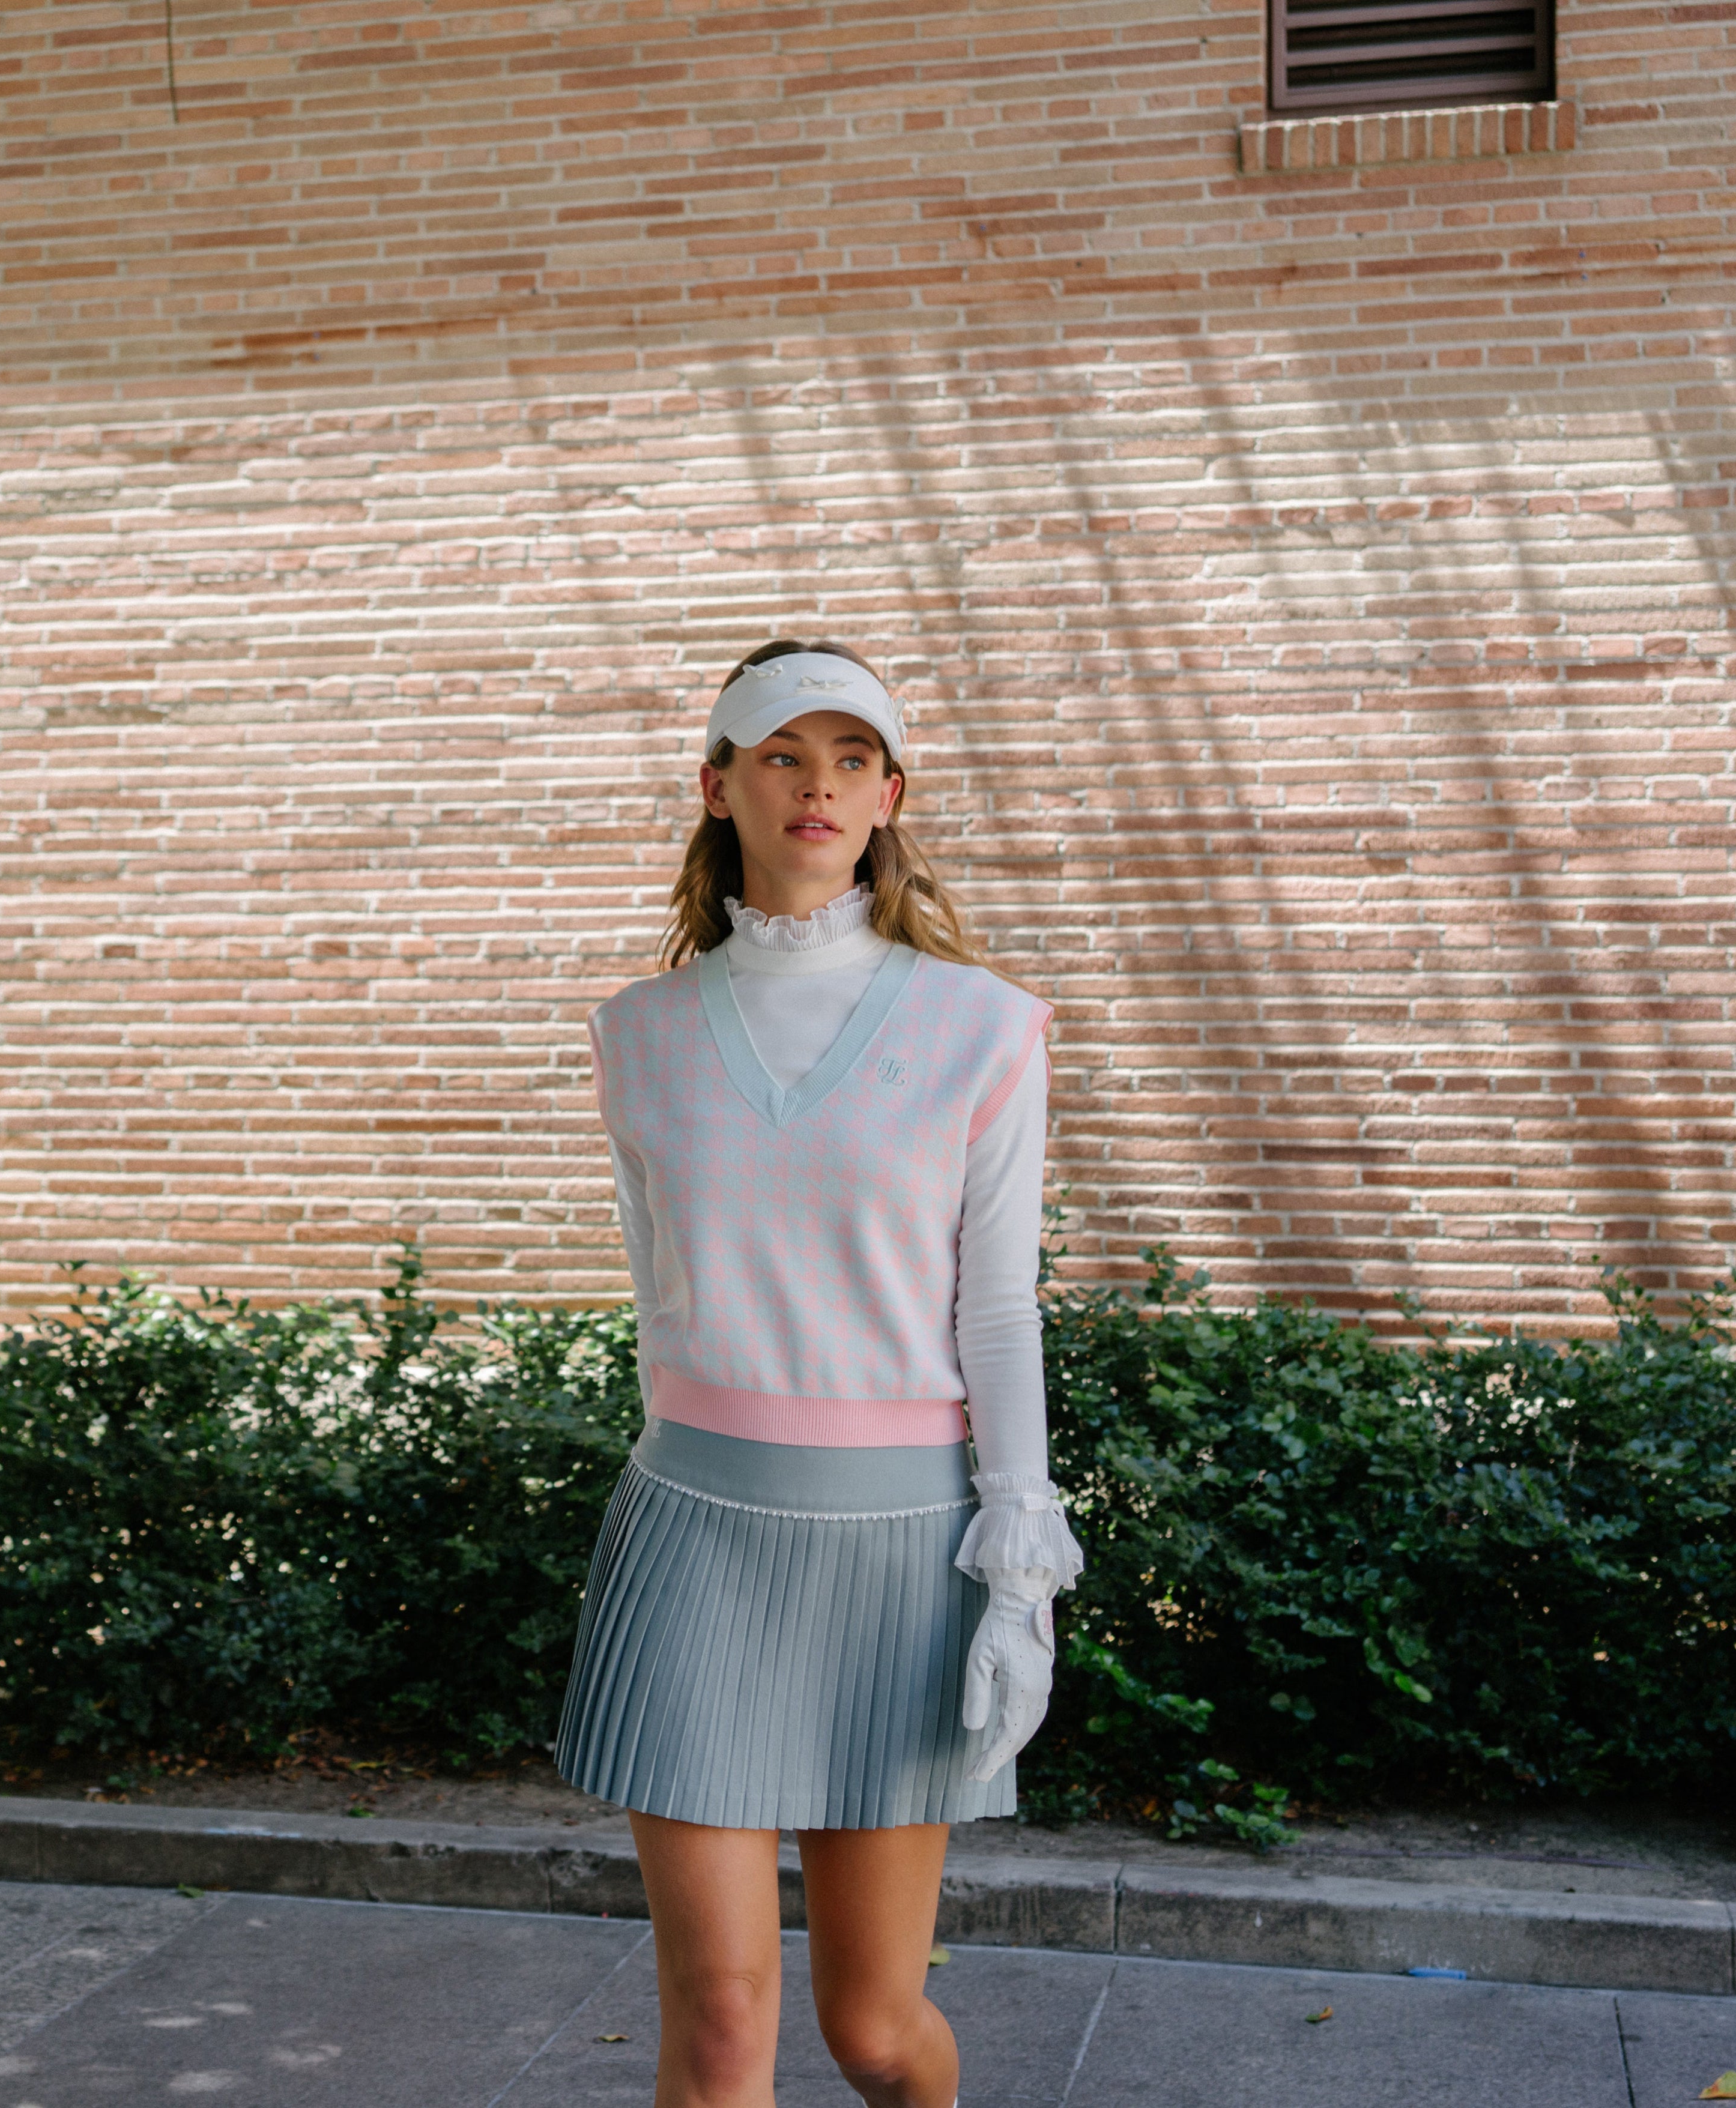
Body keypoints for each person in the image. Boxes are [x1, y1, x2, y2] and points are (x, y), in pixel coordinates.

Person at [557, 639, 1084, 2108]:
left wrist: (1020, 1561)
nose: (819, 785)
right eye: (783, 754)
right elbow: (661, 1299)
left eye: (854, 760)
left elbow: (998, 1309)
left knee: (874, 2031)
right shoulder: (639, 1035)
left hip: (903, 1550)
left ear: (889, 796)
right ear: (716, 784)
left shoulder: (982, 1024)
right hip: (695, 1540)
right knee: (723, 2020)